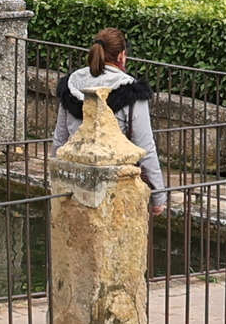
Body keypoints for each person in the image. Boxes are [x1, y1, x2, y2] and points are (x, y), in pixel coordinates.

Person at [56, 27, 167, 208]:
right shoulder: (131, 91)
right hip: (117, 186)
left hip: (77, 182)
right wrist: (159, 197)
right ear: (122, 56)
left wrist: (56, 182)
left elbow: (60, 138)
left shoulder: (72, 84)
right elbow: (145, 146)